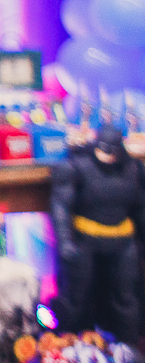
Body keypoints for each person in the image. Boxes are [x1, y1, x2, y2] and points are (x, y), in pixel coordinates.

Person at [49, 124, 145, 343]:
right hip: (85, 238)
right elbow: (60, 206)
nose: (107, 156)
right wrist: (64, 241)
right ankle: (68, 345)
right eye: (103, 150)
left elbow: (141, 208)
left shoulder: (134, 169)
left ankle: (127, 345)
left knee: (126, 297)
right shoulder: (75, 166)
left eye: (112, 151)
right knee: (76, 296)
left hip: (122, 239)